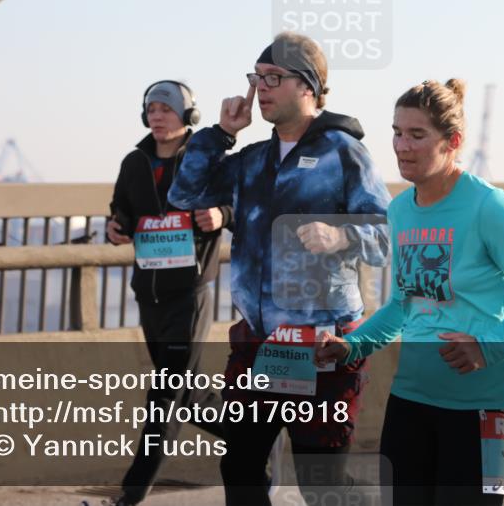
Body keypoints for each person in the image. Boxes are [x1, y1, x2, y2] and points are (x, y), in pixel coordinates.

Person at [316, 79, 504, 506]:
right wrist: (351, 346)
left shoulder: (488, 206)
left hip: (480, 408)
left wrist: (488, 347)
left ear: (452, 141)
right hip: (411, 399)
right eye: (397, 132)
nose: (402, 145)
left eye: (417, 135)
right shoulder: (400, 210)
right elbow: (403, 303)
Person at [167, 32, 391, 506]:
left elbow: (386, 237)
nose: (260, 88)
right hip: (259, 344)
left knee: (321, 484)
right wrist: (222, 134)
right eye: (256, 77)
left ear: (307, 87)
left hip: (323, 345)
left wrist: (341, 234)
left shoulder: (343, 153)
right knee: (241, 465)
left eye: (273, 78)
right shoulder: (252, 160)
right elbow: (183, 195)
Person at [106, 80, 229, 506]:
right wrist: (116, 227)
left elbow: (236, 202)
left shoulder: (206, 160)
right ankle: (256, 435)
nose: (157, 115)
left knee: (163, 396)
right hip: (148, 292)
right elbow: (121, 208)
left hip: (189, 294)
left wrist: (222, 214)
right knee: (186, 394)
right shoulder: (134, 162)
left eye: (166, 108)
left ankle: (131, 493)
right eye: (151, 109)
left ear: (188, 115)